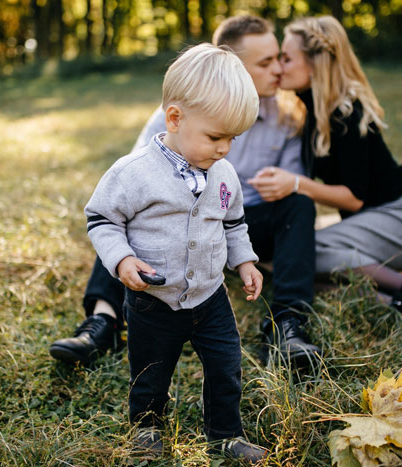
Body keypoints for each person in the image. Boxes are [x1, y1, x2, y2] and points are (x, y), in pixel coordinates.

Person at [50, 15, 321, 368]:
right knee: (129, 218)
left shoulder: (286, 117)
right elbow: (133, 179)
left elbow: (286, 187)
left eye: (278, 59)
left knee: (299, 206)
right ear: (232, 66)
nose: (278, 71)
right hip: (176, 219)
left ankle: (288, 325)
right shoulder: (180, 113)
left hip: (242, 219)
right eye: (266, 62)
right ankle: (104, 319)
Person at [84, 43, 267, 462]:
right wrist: (122, 260)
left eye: (232, 139)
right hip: (153, 301)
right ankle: (146, 427)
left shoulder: (224, 174)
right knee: (150, 372)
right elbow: (102, 219)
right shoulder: (133, 173)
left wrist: (245, 261)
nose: (224, 148)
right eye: (215, 137)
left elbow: (233, 222)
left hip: (210, 296)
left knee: (226, 367)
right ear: (175, 118)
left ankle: (225, 434)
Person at [249, 16, 402, 337]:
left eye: (287, 58)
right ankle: (400, 303)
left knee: (303, 252)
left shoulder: (345, 113)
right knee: (293, 262)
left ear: (316, 65)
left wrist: (294, 184)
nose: (279, 66)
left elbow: (354, 197)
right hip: (373, 220)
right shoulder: (310, 111)